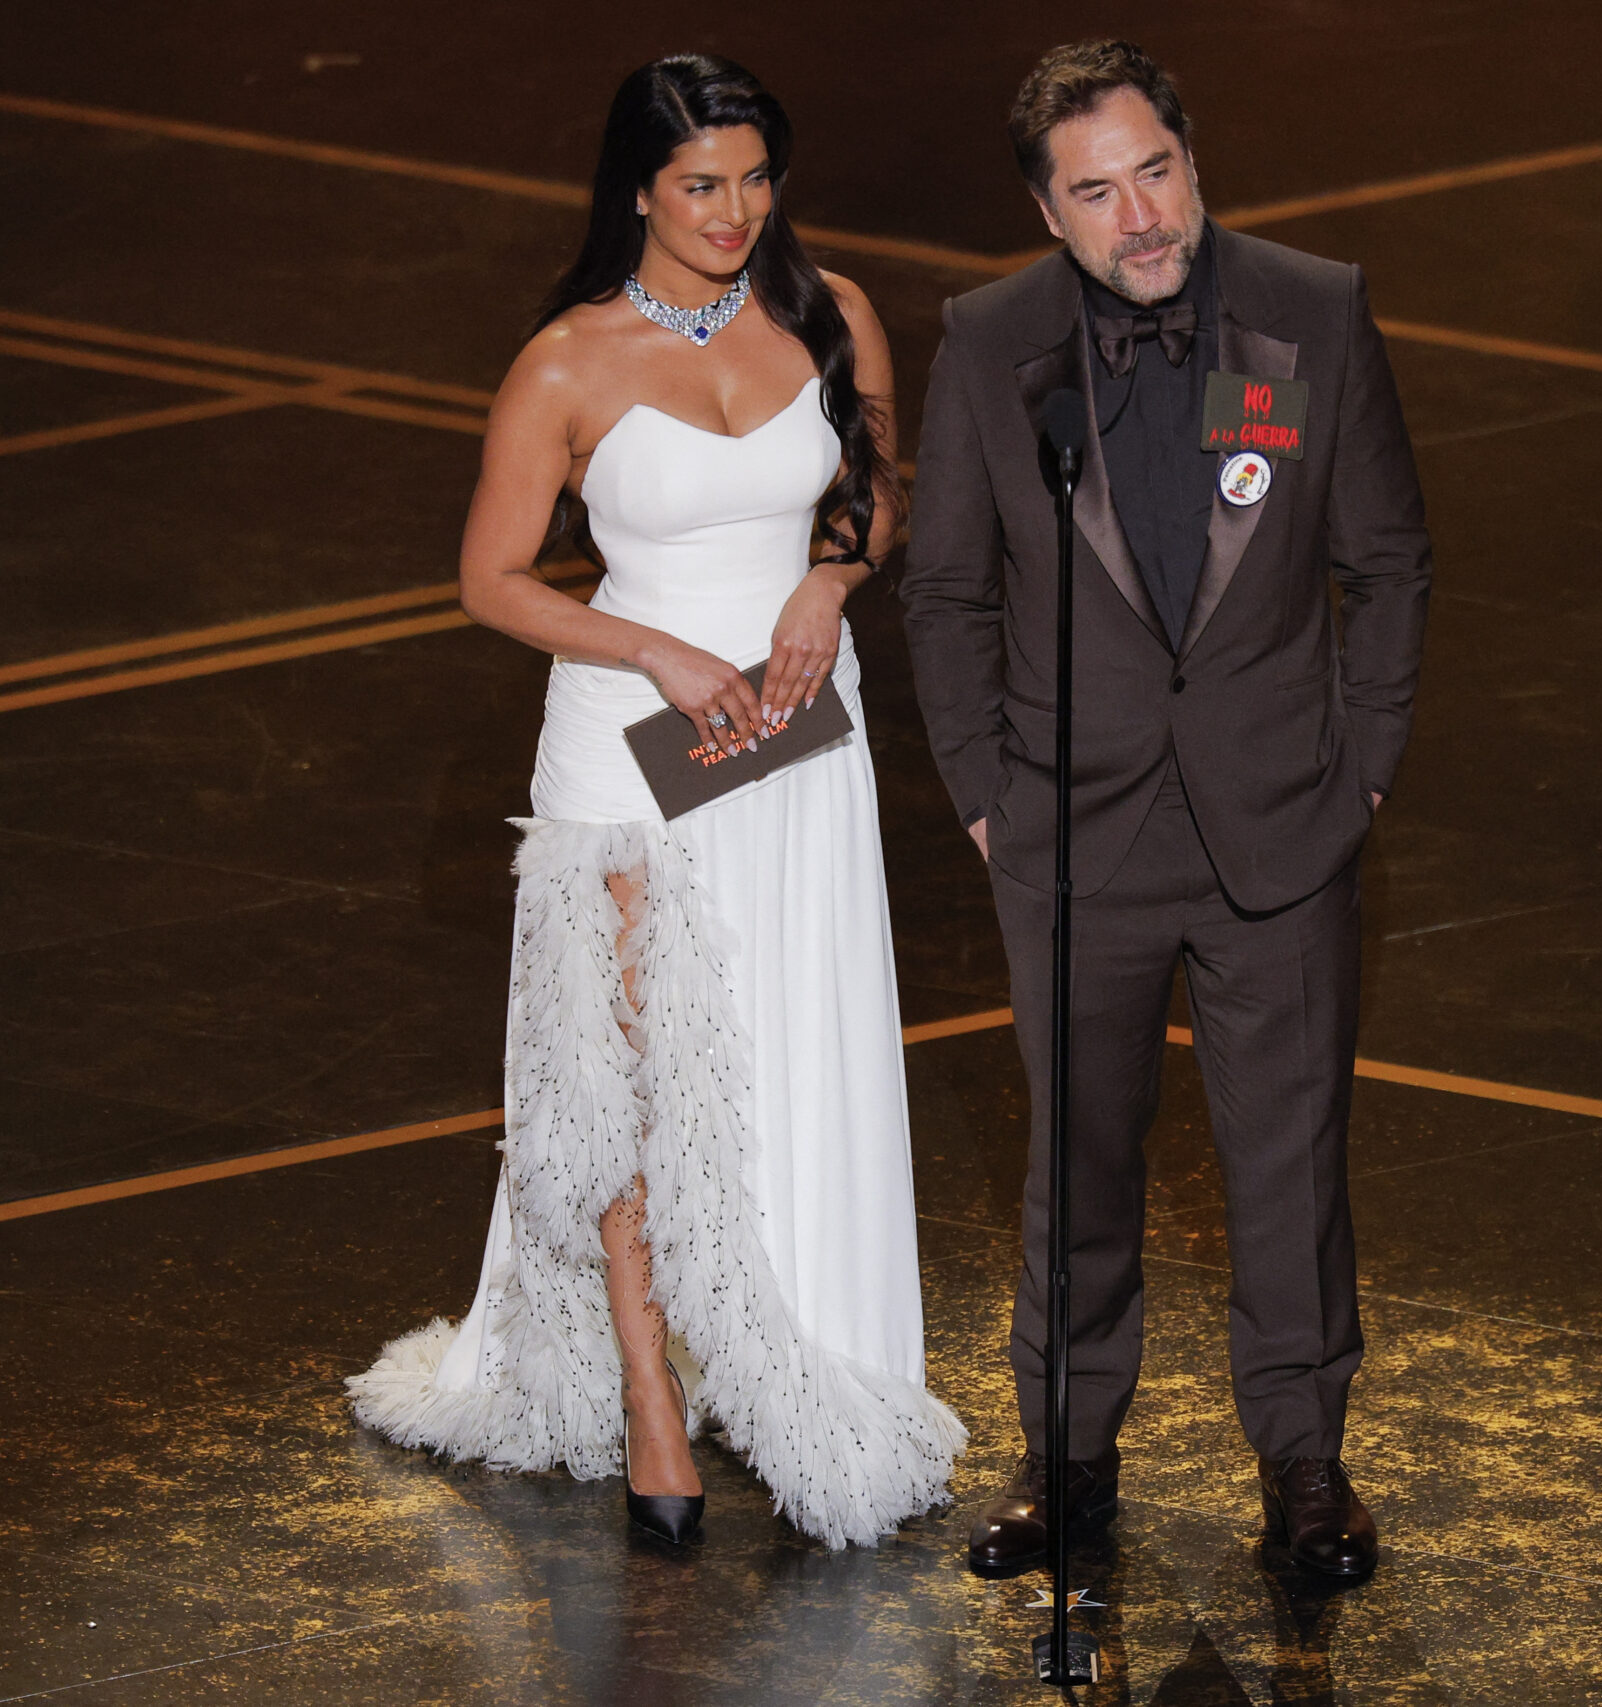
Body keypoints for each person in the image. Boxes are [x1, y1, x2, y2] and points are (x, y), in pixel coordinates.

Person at [348, 53, 962, 1552]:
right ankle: (649, 1402)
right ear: (637, 188)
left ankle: (798, 1353)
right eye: (702, 185)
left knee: (782, 1049)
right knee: (629, 1076)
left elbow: (881, 484)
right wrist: (653, 646)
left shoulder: (831, 314)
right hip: (633, 742)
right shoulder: (566, 363)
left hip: (801, 729)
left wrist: (830, 578)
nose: (734, 212)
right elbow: (491, 580)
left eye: (757, 181)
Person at [899, 40, 1432, 1579]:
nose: (1140, 215)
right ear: (1046, 213)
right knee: (1074, 1169)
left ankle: (1307, 1473)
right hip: (1074, 845)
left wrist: (1368, 763)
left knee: (1291, 1166)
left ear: (1194, 160)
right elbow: (944, 593)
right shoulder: (991, 344)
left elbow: (1388, 557)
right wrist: (991, 801)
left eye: (1157, 170)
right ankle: (1068, 1469)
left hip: (1281, 827)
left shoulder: (1309, 313)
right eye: (1097, 190)